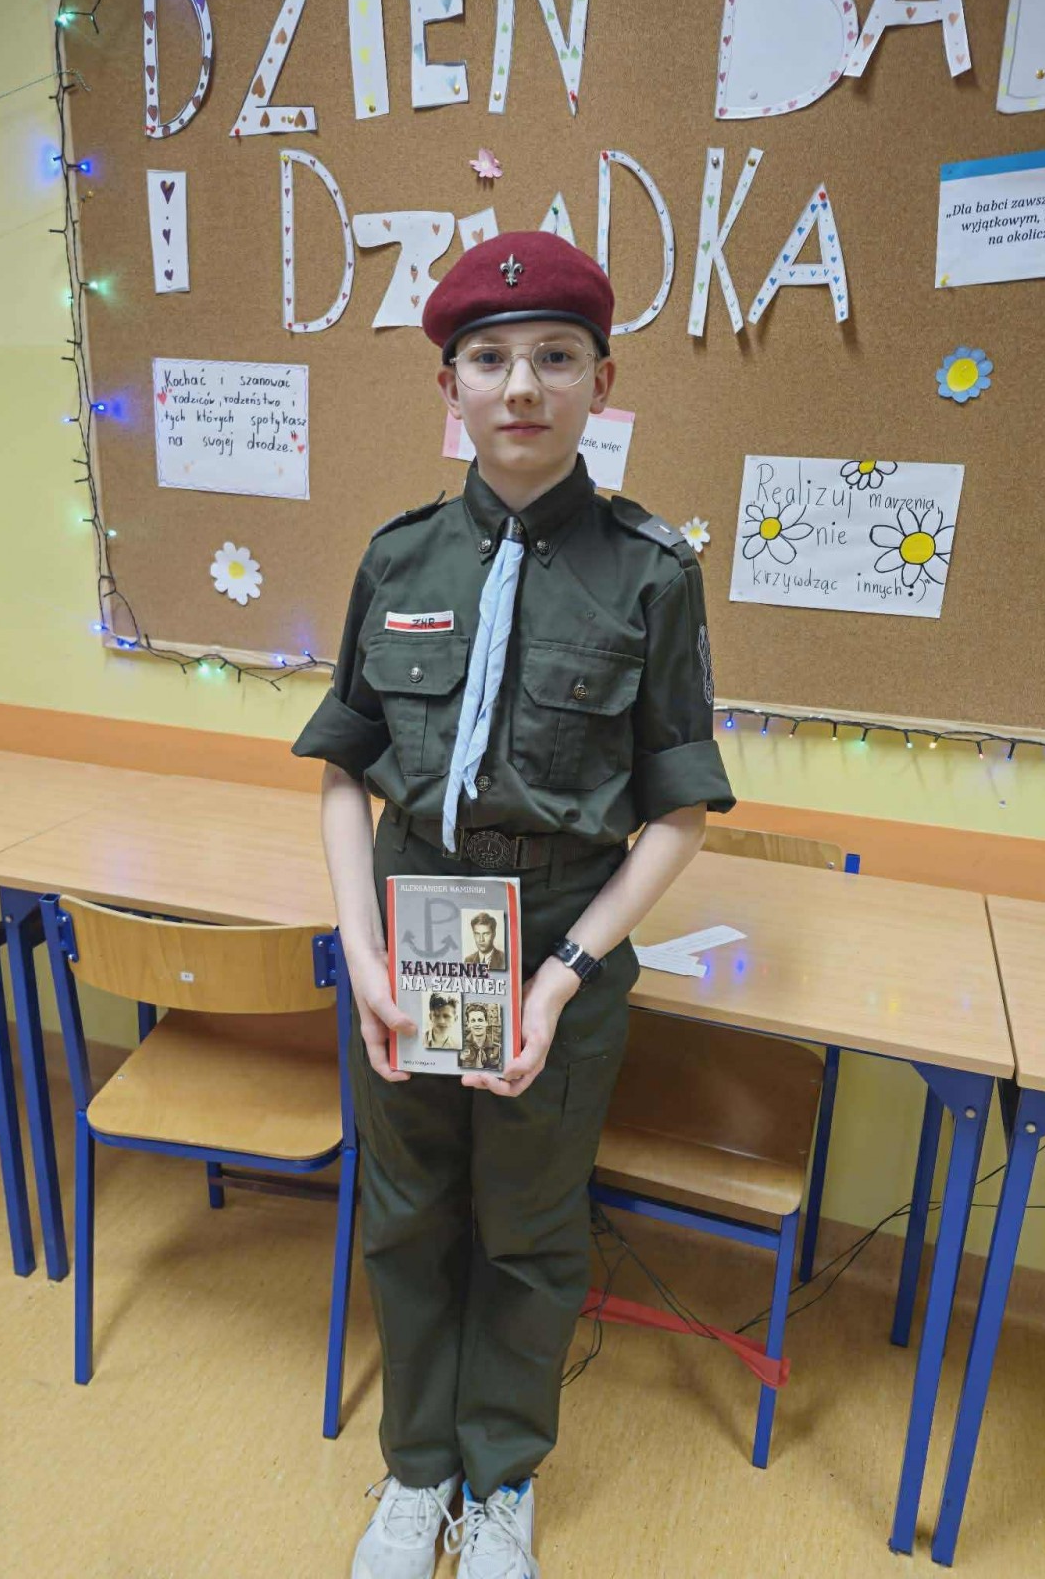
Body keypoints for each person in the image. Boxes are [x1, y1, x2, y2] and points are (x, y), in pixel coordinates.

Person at [292, 229, 736, 1579]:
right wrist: (364, 952)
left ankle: (499, 1478)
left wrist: (565, 975)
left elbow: (678, 812)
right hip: (416, 918)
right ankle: (418, 1470)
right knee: (408, 1209)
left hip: (558, 935)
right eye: (488, 359)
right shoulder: (400, 559)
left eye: (555, 356)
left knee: (532, 1229)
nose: (522, 385)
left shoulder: (650, 571)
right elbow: (343, 775)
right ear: (451, 388)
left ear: (604, 380)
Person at [458, 1001, 501, 1073]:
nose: (477, 1024)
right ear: (468, 1024)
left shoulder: (497, 1048)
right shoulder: (460, 1047)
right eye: (473, 1021)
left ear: (486, 1022)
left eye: (480, 1020)